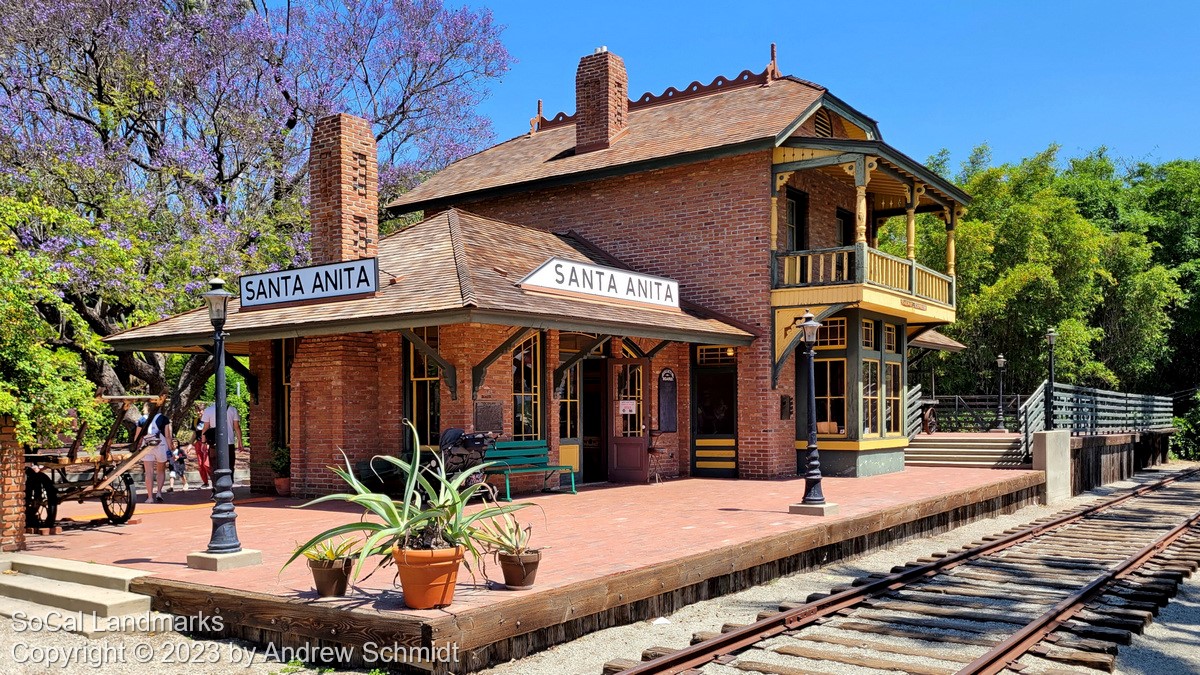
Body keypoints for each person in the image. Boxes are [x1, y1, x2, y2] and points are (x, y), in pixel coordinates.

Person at [200, 402, 243, 488]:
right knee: (230, 465)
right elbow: (237, 427)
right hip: (229, 442)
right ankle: (228, 486)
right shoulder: (232, 410)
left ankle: (215, 487)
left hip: (214, 443)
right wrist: (240, 441)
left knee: (214, 466)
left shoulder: (209, 410)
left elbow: (205, 427)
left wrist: (203, 442)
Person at [140, 410, 174, 503]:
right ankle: (159, 492)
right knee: (161, 470)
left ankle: (150, 497)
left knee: (148, 472)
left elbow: (138, 436)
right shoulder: (164, 419)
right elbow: (167, 435)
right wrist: (170, 448)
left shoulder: (142, 419)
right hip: (161, 445)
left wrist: (137, 446)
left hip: (147, 445)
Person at [192, 410, 211, 489]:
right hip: (198, 443)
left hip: (206, 443)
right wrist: (190, 444)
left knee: (206, 464)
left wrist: (208, 443)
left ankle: (214, 480)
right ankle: (205, 482)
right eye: (198, 411)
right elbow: (194, 434)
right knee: (200, 464)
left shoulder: (208, 419)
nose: (199, 413)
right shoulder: (195, 420)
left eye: (201, 411)